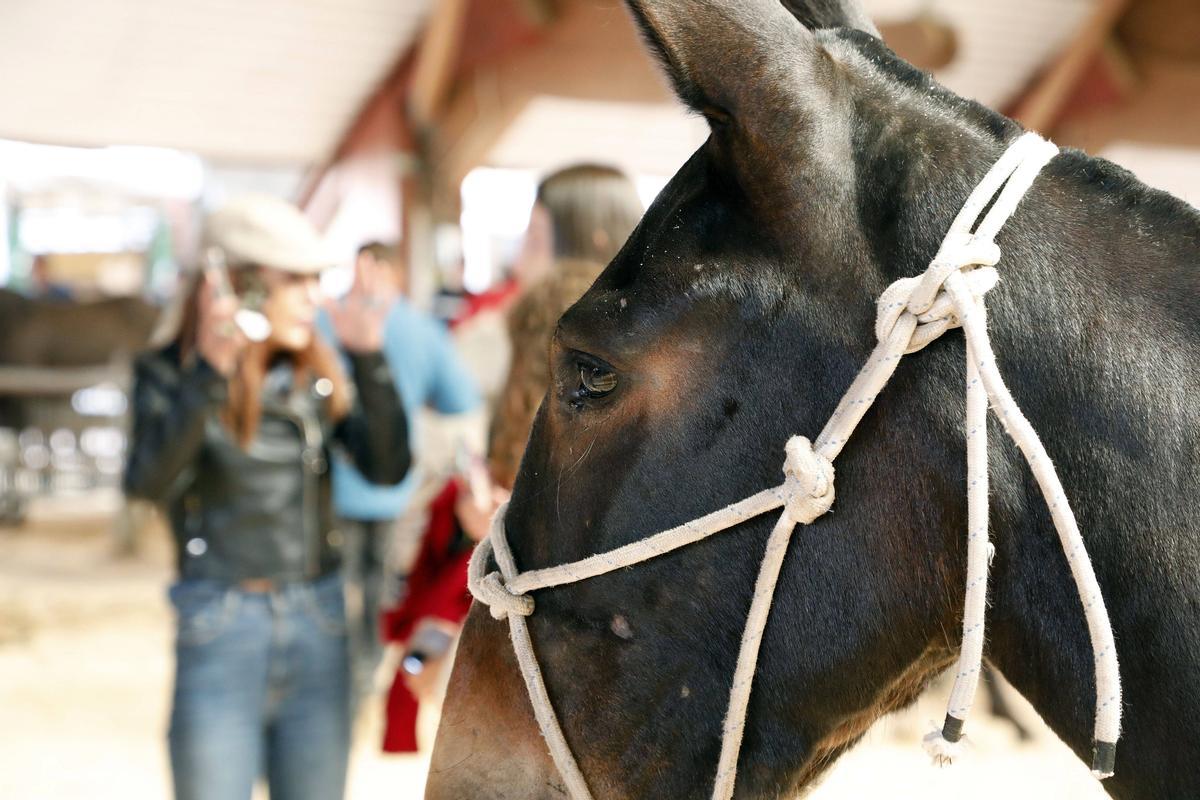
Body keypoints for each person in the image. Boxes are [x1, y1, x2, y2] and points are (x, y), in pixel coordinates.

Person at [124, 194, 411, 800]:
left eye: (317, 278)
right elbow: (144, 484)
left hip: (320, 617)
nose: (315, 295)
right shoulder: (169, 372)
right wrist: (208, 373)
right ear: (239, 285)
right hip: (220, 618)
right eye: (296, 279)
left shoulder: (317, 368)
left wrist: (369, 356)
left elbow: (387, 470)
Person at [379, 164, 643, 752]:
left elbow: (430, 449)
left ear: (592, 239)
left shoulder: (500, 332)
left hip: (515, 589)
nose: (521, 254)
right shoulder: (667, 340)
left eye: (535, 237)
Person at [319, 241, 480, 699]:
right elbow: (460, 401)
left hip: (334, 491)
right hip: (400, 494)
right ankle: (366, 687)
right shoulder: (423, 330)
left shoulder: (323, 322)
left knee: (337, 600)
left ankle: (340, 694)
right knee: (383, 604)